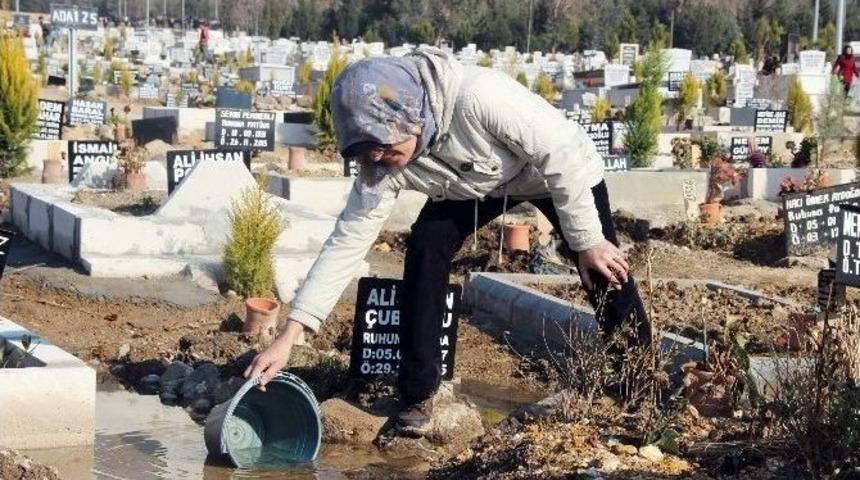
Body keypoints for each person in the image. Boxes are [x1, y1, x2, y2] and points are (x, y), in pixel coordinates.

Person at [245, 48, 651, 430]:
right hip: (475, 185)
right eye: (368, 154)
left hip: (555, 173)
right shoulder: (381, 161)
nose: (378, 161)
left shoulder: (478, 96)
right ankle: (418, 392)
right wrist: (288, 337)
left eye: (384, 149)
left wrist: (586, 241)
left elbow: (559, 153)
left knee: (601, 265)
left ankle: (641, 387)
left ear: (411, 117)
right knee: (426, 246)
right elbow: (347, 241)